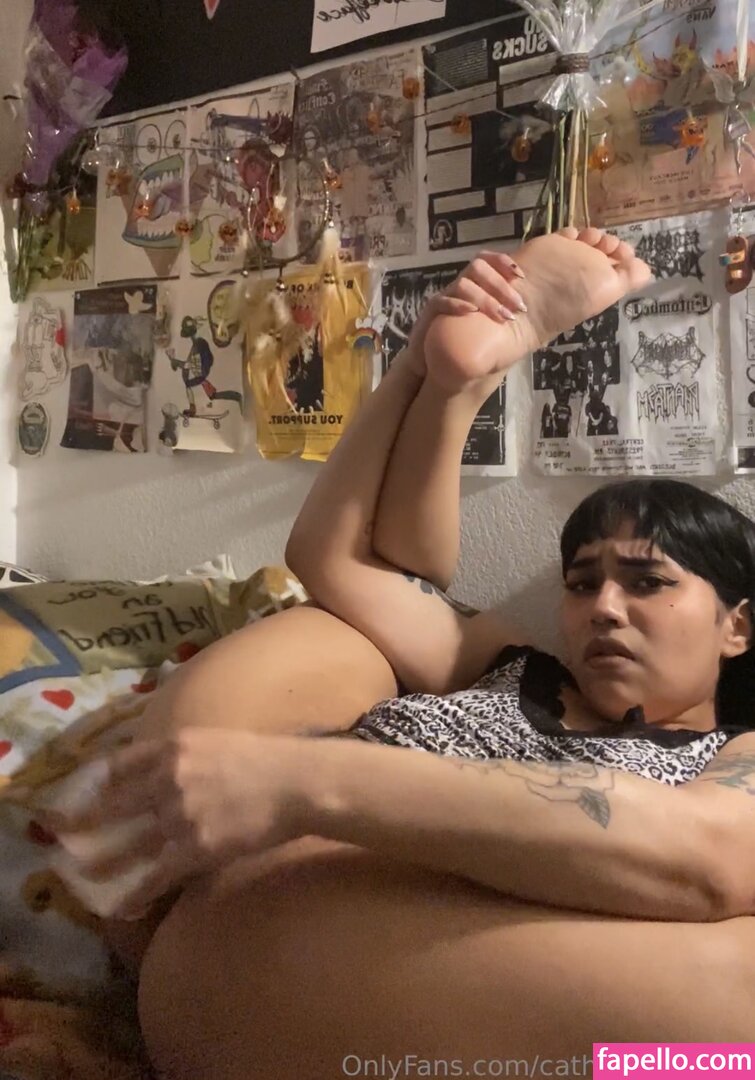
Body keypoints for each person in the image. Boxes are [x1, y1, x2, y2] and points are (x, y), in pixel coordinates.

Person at [40, 228, 755, 1079]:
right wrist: (422, 372)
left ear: (736, 627)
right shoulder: (506, 662)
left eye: (646, 583)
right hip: (242, 930)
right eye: (581, 581)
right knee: (348, 611)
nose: (602, 606)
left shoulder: (734, 755)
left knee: (729, 1022)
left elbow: (709, 861)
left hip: (427, 1018)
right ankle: (454, 388)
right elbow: (336, 562)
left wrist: (296, 783)